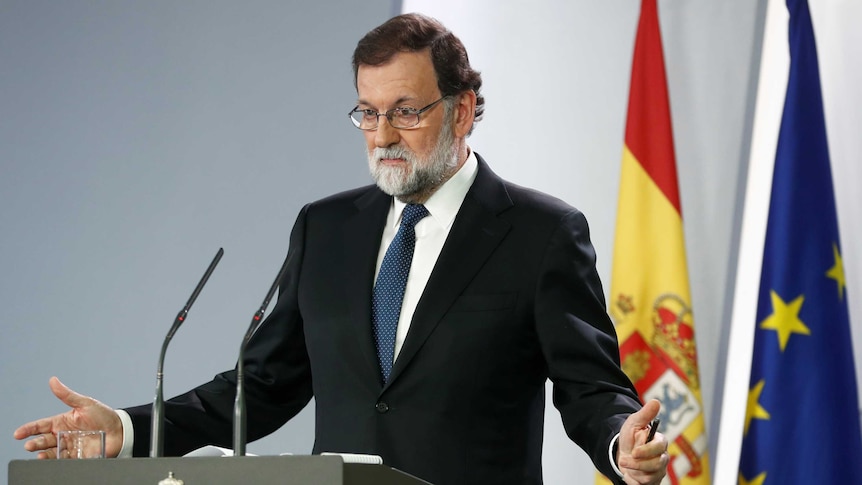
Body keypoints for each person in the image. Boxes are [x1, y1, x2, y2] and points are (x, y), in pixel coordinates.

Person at [14, 13, 668, 485]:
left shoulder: (539, 232)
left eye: (406, 111)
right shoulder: (326, 229)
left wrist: (620, 443)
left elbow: (590, 386)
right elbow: (260, 387)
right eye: (367, 111)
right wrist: (126, 430)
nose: (382, 134)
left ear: (463, 110)